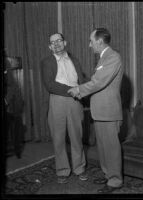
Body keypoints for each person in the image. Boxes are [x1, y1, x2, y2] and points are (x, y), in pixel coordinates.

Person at [68, 28, 123, 193]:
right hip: (100, 112)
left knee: (111, 148)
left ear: (99, 41)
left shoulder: (113, 57)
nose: (89, 45)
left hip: (109, 112)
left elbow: (98, 82)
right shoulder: (103, 58)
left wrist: (78, 89)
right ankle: (108, 176)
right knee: (103, 148)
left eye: (91, 41)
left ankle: (115, 180)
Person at [40, 33, 88, 184]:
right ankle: (62, 171)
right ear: (50, 47)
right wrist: (73, 89)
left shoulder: (74, 60)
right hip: (57, 101)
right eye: (52, 42)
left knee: (76, 137)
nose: (56, 44)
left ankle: (79, 168)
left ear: (65, 42)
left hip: (75, 102)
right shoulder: (46, 61)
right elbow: (50, 85)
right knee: (59, 138)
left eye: (59, 40)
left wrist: (89, 87)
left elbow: (82, 80)